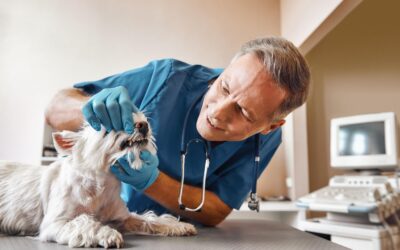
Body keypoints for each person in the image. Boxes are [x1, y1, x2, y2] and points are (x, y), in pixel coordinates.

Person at [45, 37, 310, 226]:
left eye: (243, 112)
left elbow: (217, 210)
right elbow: (55, 109)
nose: (216, 112)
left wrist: (151, 181)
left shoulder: (266, 140)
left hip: (182, 237)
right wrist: (95, 111)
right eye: (224, 87)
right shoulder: (166, 79)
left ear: (270, 127)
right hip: (103, 221)